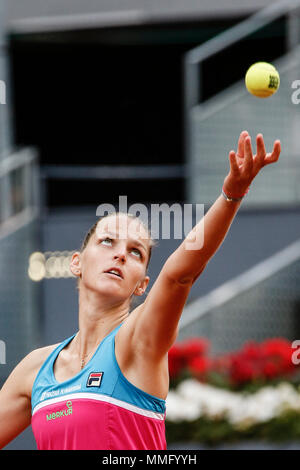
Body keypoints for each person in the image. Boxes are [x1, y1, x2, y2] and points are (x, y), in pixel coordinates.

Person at [0, 131, 281, 450]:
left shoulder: (138, 341)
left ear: (142, 284)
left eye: (136, 252)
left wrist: (232, 194)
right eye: (107, 242)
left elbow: (180, 275)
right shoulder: (34, 369)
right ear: (76, 263)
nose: (120, 254)